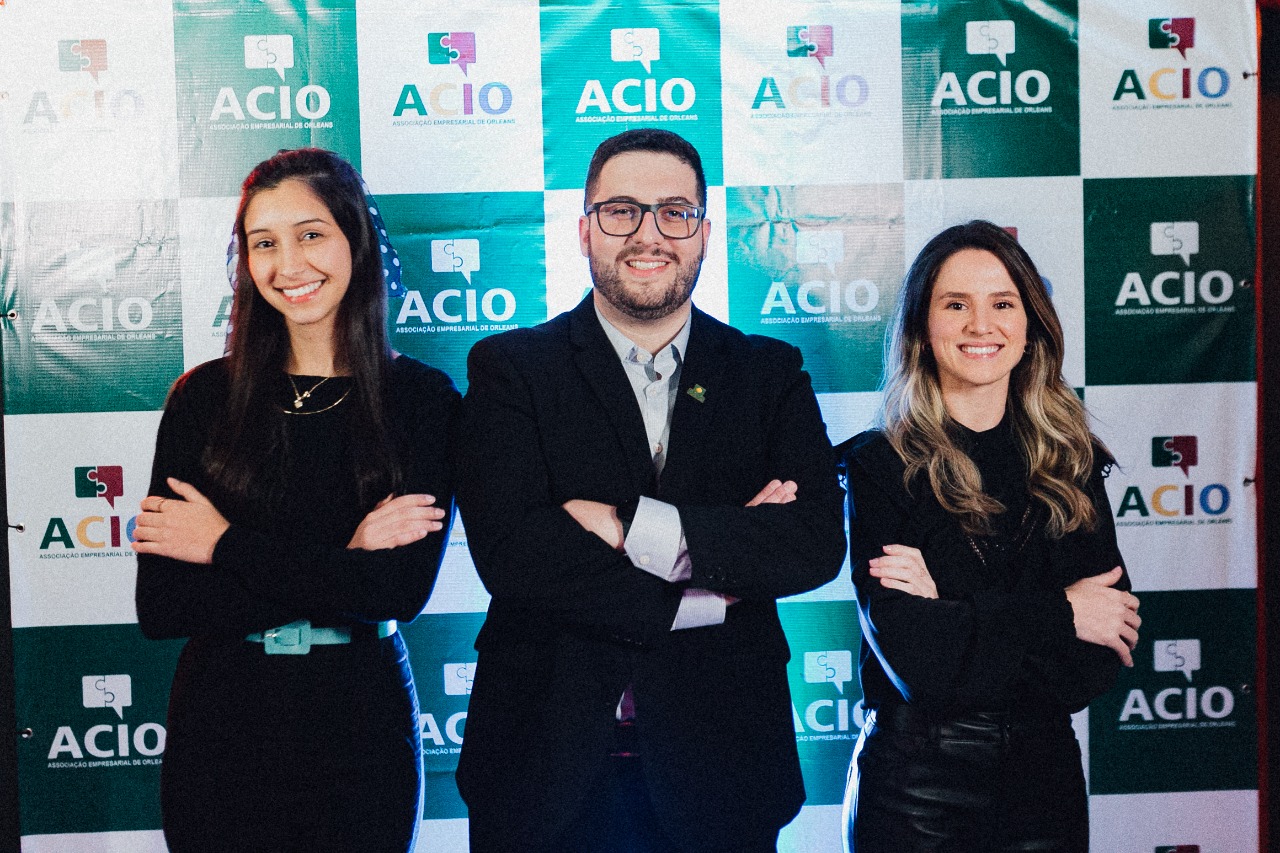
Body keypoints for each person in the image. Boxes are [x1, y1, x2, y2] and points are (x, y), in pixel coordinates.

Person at [454, 128, 847, 853]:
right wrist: (708, 588)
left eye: (675, 212)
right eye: (621, 211)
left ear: (704, 234)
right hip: (543, 771)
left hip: (724, 769)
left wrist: (626, 526)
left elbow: (813, 542)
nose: (649, 234)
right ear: (584, 230)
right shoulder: (512, 368)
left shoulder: (768, 373)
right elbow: (516, 554)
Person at [132, 148, 458, 853]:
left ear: (355, 241)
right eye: (264, 243)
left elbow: (396, 591)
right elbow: (165, 606)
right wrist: (346, 560)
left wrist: (222, 545)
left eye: (311, 234)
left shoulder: (422, 401)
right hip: (221, 719)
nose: (289, 264)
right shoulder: (203, 398)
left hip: (360, 720)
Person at [840, 220, 1141, 852]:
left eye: (1002, 304)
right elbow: (919, 665)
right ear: (922, 327)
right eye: (956, 305)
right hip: (916, 790)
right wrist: (1063, 612)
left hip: (1045, 785)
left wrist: (955, 612)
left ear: (1030, 327)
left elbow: (1093, 663)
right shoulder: (879, 466)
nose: (982, 325)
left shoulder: (1072, 462)